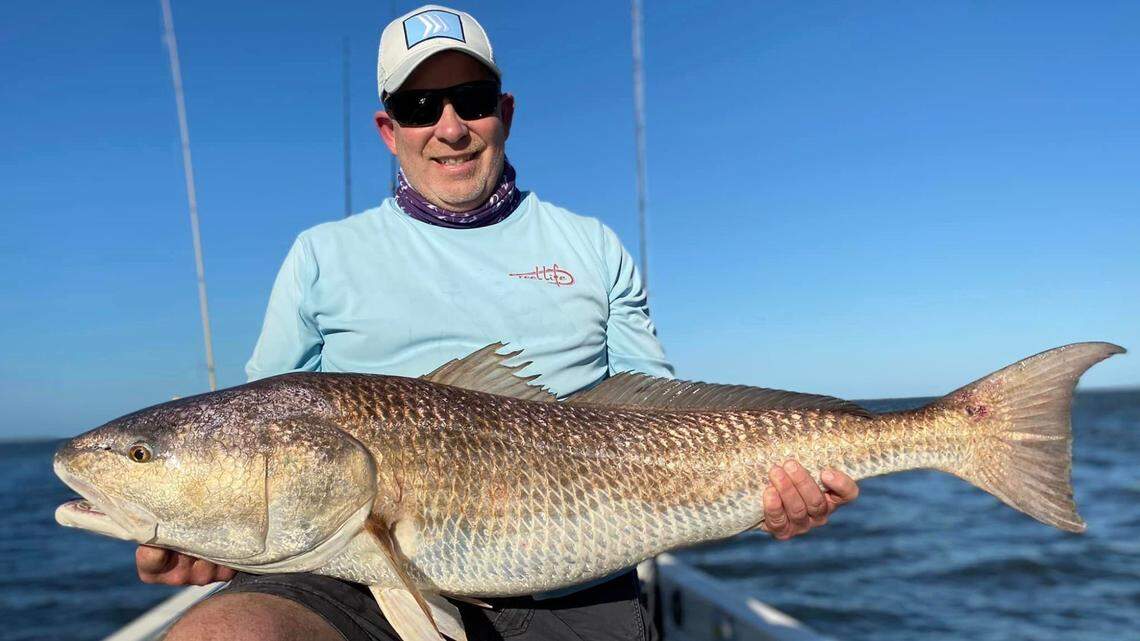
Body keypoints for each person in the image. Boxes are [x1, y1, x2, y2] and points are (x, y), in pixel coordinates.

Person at [140, 6, 860, 641]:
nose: (449, 127)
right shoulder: (320, 256)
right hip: (350, 574)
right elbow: (260, 438)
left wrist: (770, 494)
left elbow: (662, 412)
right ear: (389, 129)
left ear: (505, 112)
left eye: (471, 99)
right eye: (420, 105)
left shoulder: (591, 244)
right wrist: (215, 530)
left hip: (573, 581)